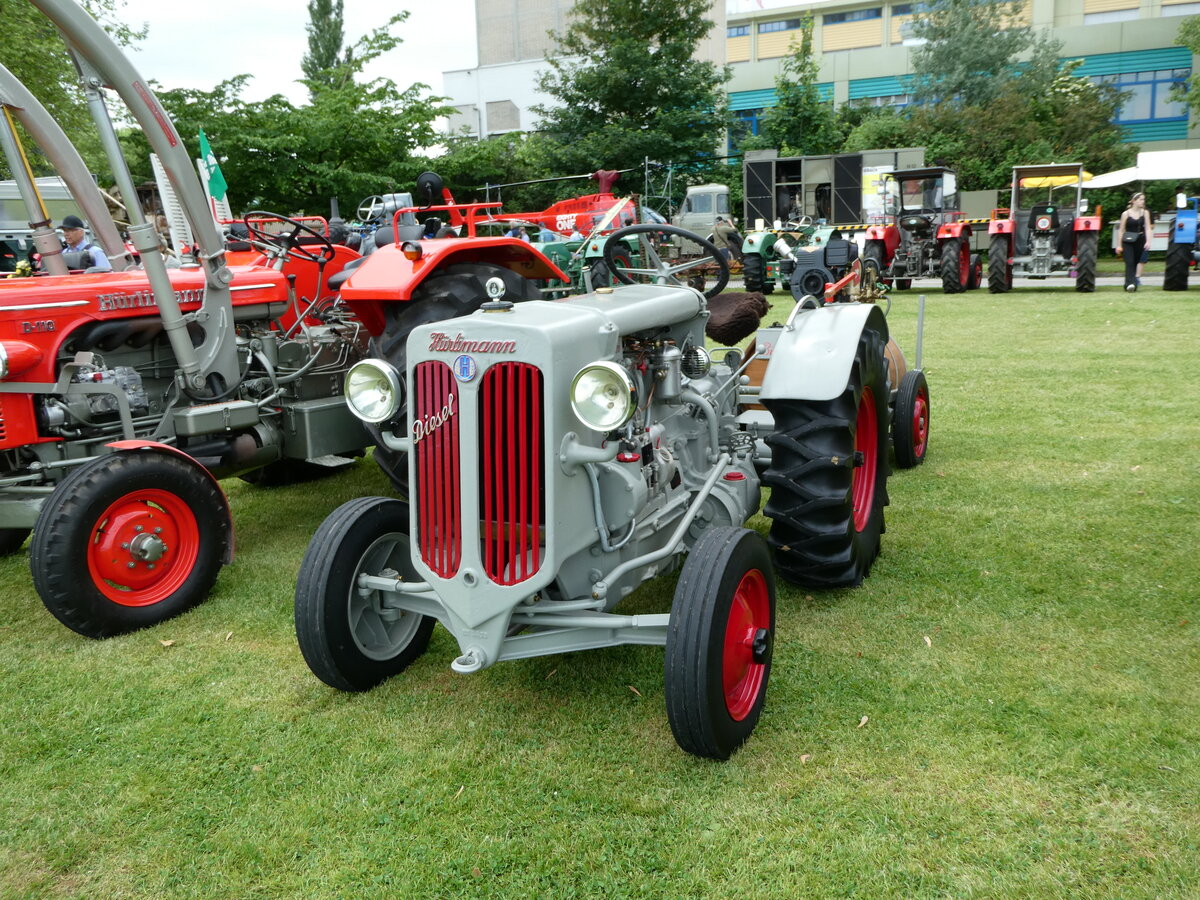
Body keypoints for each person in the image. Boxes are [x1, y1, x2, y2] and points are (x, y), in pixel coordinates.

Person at [1114, 191, 1148, 292]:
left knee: (1135, 262)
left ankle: (1129, 284)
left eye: (1143, 199)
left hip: (1140, 240)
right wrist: (1119, 245)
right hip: (1127, 241)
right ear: (1134, 201)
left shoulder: (1145, 213)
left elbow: (1148, 228)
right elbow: (1121, 230)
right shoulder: (1125, 214)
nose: (1143, 201)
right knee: (1129, 262)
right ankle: (1131, 284)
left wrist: (1148, 241)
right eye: (1141, 199)